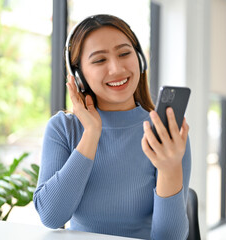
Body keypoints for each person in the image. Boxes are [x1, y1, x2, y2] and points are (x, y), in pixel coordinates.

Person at [33, 14, 191, 240]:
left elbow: (169, 238)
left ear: (140, 60)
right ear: (79, 77)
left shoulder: (166, 134)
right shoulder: (63, 128)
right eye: (99, 60)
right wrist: (91, 133)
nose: (116, 69)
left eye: (125, 53)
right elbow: (51, 216)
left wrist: (170, 168)